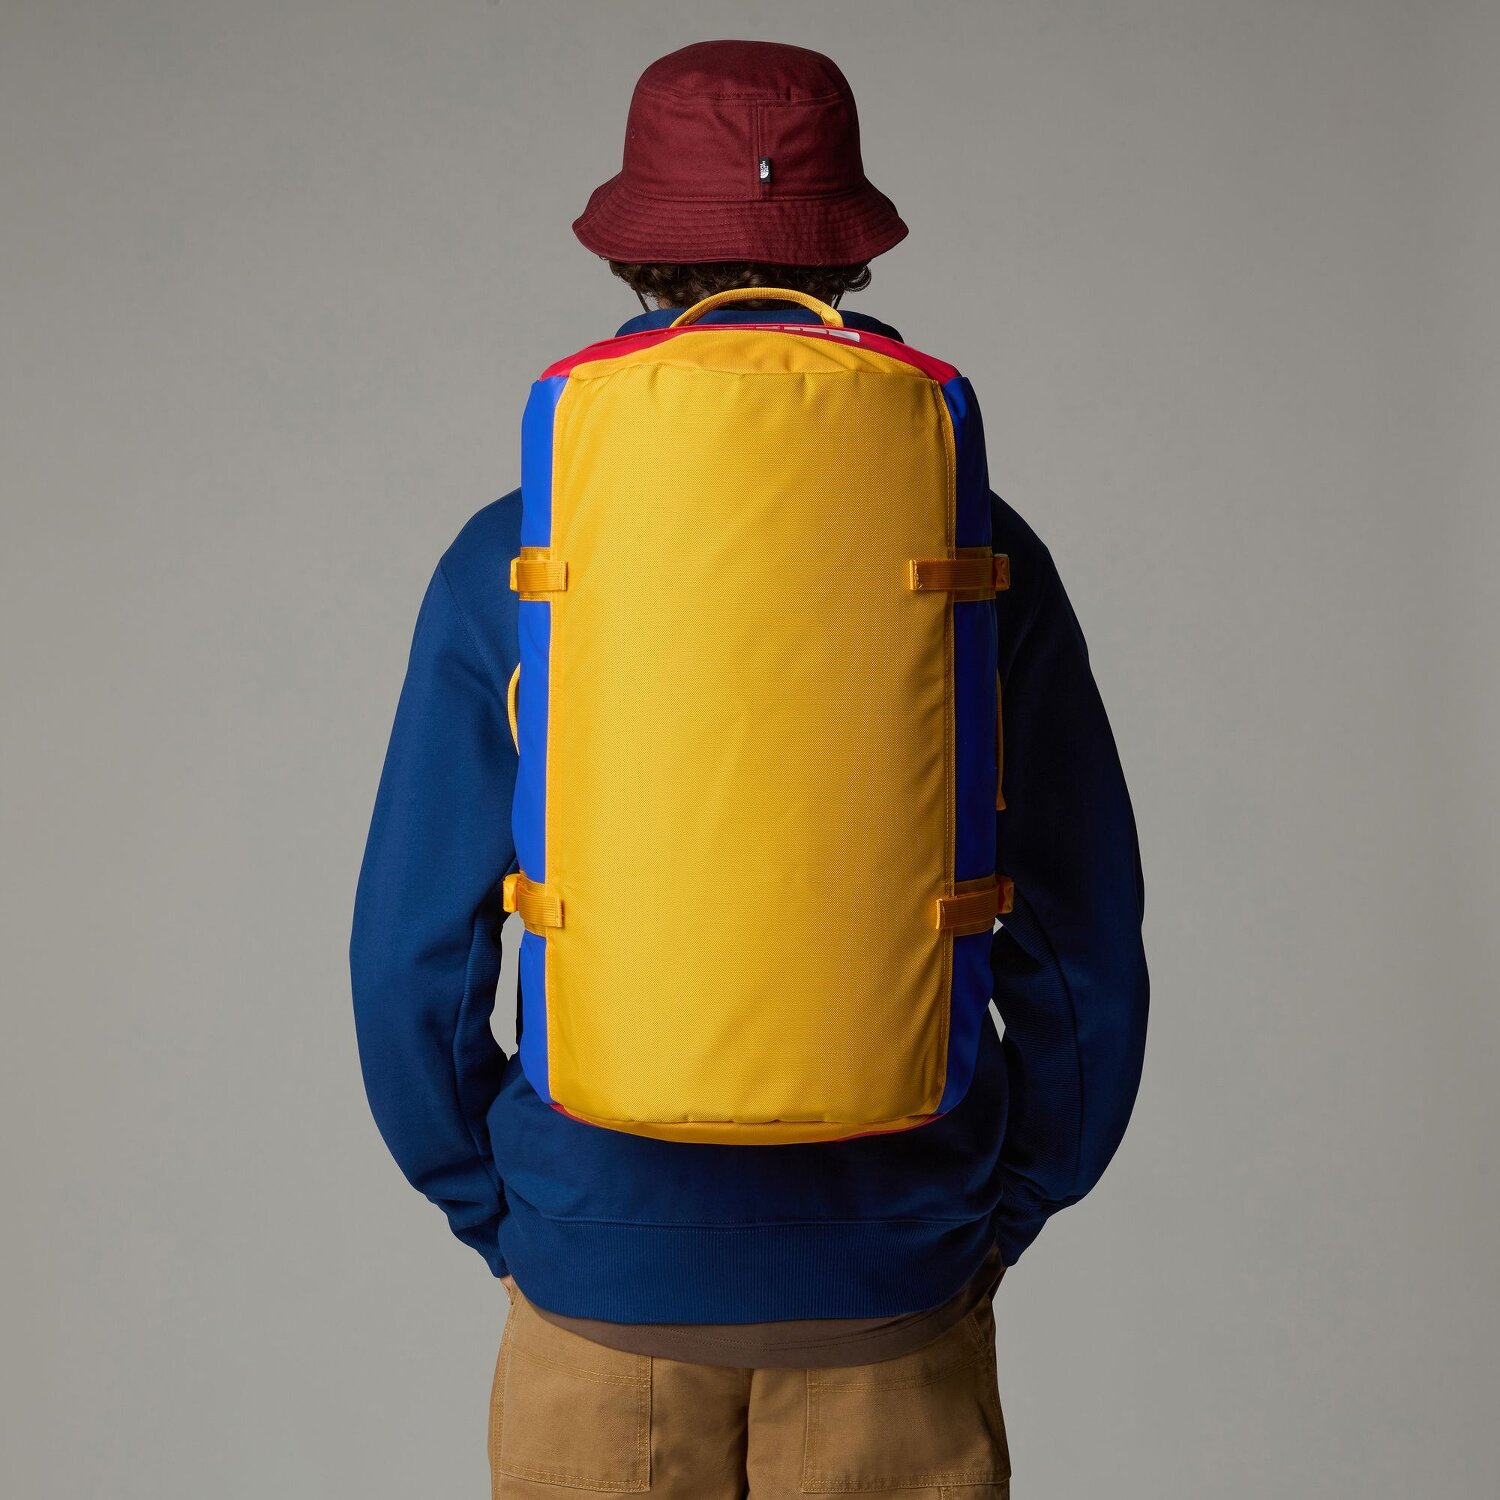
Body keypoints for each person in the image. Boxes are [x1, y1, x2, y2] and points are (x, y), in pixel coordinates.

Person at [351, 38, 1148, 1498]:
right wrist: (996, 1206)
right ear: (848, 251)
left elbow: (414, 952)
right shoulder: (985, 555)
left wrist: (517, 1218)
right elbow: (1082, 943)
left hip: (593, 1280)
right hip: (897, 1279)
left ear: (635, 257)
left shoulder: (511, 556)